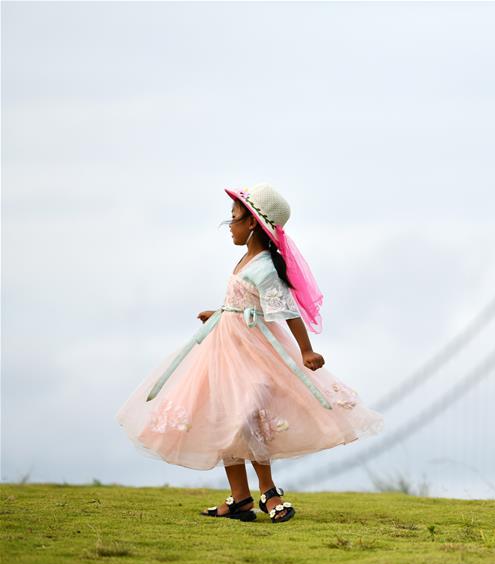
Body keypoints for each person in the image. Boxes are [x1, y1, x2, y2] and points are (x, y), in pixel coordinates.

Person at [115, 183, 384, 523]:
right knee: (224, 415)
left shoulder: (265, 268)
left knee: (247, 414)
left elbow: (286, 311)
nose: (230, 225)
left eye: (234, 218)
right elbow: (243, 302)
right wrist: (221, 313)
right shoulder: (245, 260)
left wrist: (306, 350)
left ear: (253, 222)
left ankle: (268, 491)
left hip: (252, 351)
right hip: (224, 347)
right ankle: (240, 496)